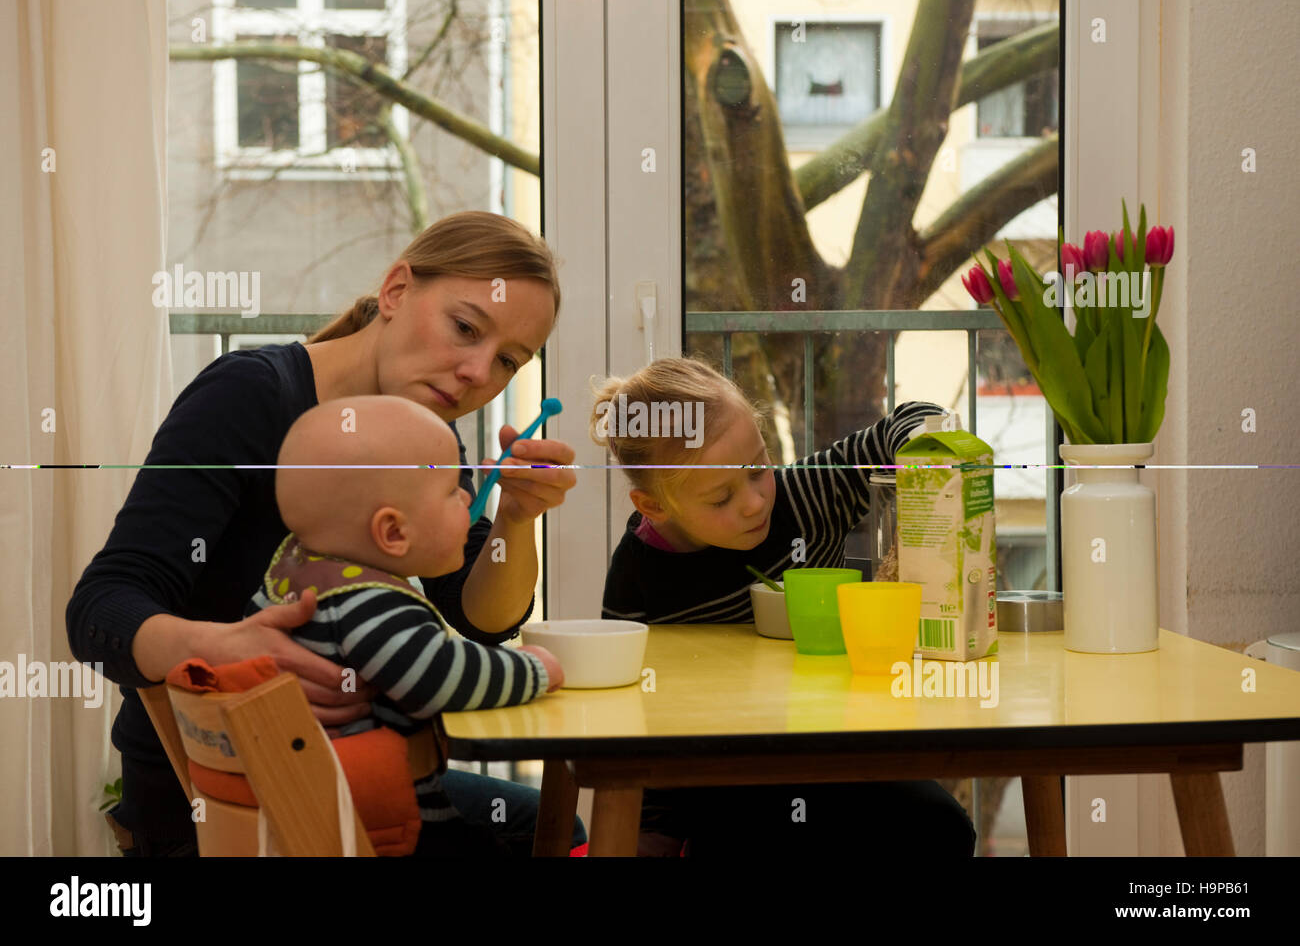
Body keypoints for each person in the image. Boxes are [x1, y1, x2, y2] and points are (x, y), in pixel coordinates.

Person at [67, 211, 583, 856]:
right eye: (464, 327)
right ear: (396, 290)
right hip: (215, 796)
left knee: (546, 818)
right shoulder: (249, 397)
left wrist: (515, 518)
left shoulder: (423, 435)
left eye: (508, 359)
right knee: (549, 825)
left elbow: (481, 620)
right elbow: (100, 609)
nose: (479, 372)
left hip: (343, 769)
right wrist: (228, 648)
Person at [590, 356, 976, 857]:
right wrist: (655, 830)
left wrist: (925, 453)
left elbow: (899, 425)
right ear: (655, 506)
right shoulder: (636, 573)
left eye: (756, 468)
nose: (754, 502)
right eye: (720, 497)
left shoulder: (809, 495)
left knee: (941, 825)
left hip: (842, 758)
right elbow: (631, 718)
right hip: (723, 787)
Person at [254, 395, 564, 855]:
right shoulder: (370, 603)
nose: (467, 496)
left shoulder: (294, 573)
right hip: (386, 830)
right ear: (393, 533)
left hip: (316, 809)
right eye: (450, 491)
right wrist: (534, 669)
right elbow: (441, 677)